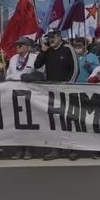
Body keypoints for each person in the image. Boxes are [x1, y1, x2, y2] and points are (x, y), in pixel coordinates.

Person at [34, 29, 79, 160]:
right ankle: (56, 149)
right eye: (49, 38)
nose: (51, 40)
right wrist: (43, 50)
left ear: (59, 37)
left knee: (68, 120)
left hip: (66, 90)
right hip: (51, 91)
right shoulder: (47, 51)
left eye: (53, 37)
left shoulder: (67, 48)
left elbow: (75, 69)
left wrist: (68, 86)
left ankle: (72, 148)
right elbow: (37, 65)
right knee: (54, 120)